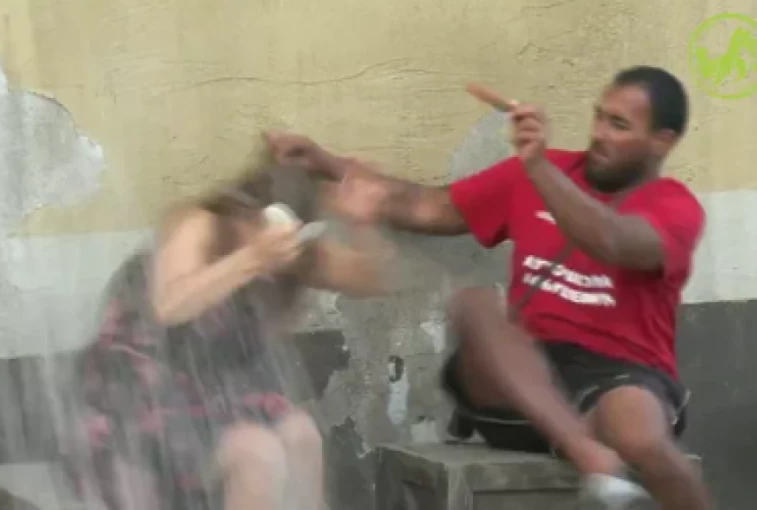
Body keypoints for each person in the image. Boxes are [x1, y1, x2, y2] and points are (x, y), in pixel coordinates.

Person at [263, 66, 713, 510]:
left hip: (621, 377)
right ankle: (589, 456)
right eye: (598, 116)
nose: (599, 133)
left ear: (662, 141)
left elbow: (613, 241)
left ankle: (605, 457)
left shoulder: (674, 206)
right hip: (523, 381)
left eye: (618, 125)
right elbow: (427, 206)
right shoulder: (539, 173)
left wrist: (538, 168)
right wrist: (323, 163)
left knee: (640, 436)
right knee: (475, 304)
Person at [60, 163, 392, 510]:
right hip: (137, 402)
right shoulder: (197, 223)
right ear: (241, 213)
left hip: (219, 399)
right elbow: (168, 306)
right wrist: (253, 258)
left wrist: (361, 223)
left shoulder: (291, 250)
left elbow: (373, 279)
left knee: (302, 434)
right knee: (257, 452)